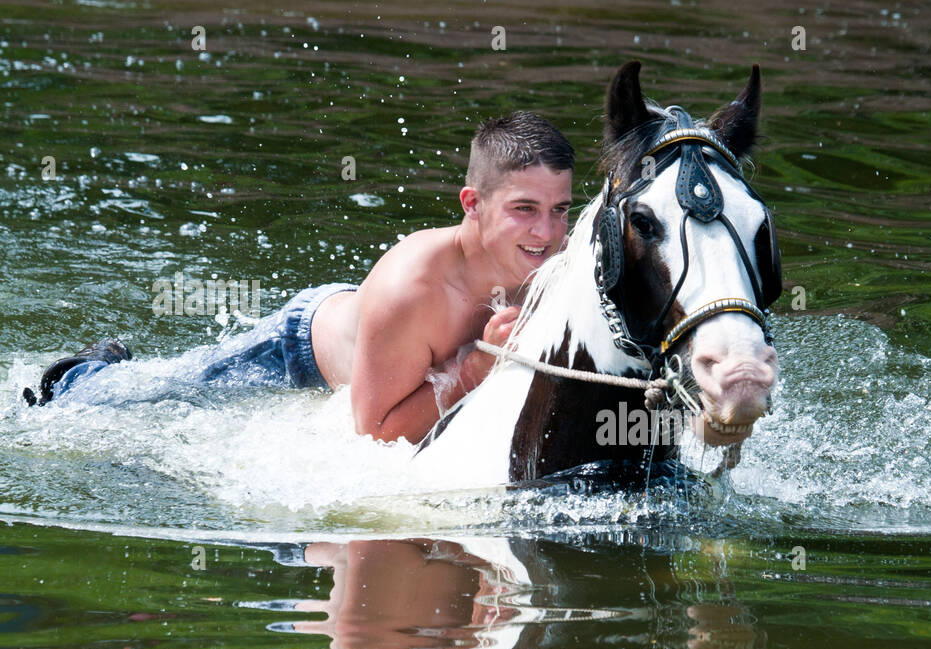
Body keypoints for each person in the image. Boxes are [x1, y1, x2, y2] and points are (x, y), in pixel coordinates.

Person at [22, 111, 574, 446]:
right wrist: (475, 367)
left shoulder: (553, 255)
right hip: (296, 351)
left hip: (376, 341)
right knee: (144, 399)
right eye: (524, 208)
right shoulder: (415, 288)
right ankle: (81, 375)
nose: (546, 231)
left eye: (560, 210)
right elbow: (373, 433)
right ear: (472, 204)